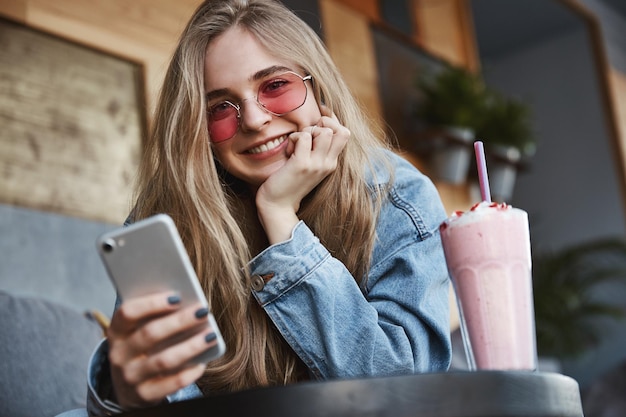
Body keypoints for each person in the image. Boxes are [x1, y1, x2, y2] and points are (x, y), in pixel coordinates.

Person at [77, 0, 452, 414]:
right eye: (220, 107)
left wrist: (279, 217)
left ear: (319, 87)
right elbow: (161, 395)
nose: (254, 120)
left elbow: (403, 392)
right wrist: (127, 391)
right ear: (196, 131)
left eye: (275, 86)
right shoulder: (170, 218)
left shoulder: (398, 197)